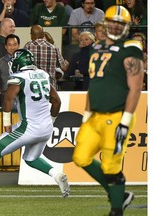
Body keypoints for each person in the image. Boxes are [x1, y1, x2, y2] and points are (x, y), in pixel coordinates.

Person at [0, 49, 70, 200]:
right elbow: (56, 101)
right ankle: (57, 175)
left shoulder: (19, 77)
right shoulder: (43, 74)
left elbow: (8, 98)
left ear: (19, 63)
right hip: (47, 127)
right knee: (31, 158)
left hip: (29, 127)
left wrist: (6, 121)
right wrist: (52, 120)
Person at [72, 5, 144, 216]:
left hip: (117, 115)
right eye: (112, 21)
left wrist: (126, 119)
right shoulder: (96, 47)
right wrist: (86, 116)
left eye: (120, 23)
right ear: (105, 23)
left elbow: (136, 87)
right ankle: (120, 196)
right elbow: (94, 84)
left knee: (111, 166)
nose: (115, 25)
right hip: (95, 116)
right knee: (81, 157)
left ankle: (116, 210)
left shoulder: (131, 48)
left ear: (127, 27)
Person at [24, 25, 69, 90]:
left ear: (31, 35)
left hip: (34, 87)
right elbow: (64, 68)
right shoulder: (54, 48)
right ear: (43, 34)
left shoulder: (28, 46)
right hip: (50, 87)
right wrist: (67, 64)